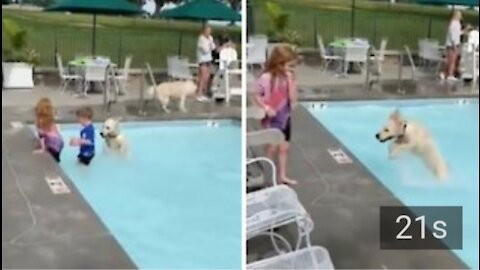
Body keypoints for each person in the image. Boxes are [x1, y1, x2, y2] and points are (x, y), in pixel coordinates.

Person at [253, 45, 298, 186]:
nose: (290, 69)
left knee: (284, 148)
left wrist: (291, 82)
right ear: (279, 63)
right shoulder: (266, 78)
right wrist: (265, 107)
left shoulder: (289, 78)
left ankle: (282, 176)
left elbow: (293, 99)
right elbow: (256, 95)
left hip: (285, 117)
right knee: (271, 148)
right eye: (288, 65)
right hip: (272, 118)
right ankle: (267, 177)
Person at [441, 10, 472, 82]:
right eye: (460, 15)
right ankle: (450, 75)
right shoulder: (456, 23)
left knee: (450, 60)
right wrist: (455, 45)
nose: (461, 16)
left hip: (451, 44)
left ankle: (445, 74)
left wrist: (465, 31)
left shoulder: (453, 23)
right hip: (453, 44)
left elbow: (457, 33)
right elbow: (453, 35)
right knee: (452, 61)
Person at [33, 98, 64, 162]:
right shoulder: (50, 119)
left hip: (53, 144)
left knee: (52, 156)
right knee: (56, 157)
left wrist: (42, 148)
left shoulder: (40, 122)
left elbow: (41, 136)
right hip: (59, 142)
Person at [196, 25, 216, 102]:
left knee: (207, 78)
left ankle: (203, 93)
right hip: (202, 60)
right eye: (207, 31)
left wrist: (210, 43)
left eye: (210, 31)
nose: (209, 33)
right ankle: (199, 94)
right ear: (204, 31)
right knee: (202, 77)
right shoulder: (201, 39)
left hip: (209, 60)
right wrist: (210, 44)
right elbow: (206, 50)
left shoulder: (210, 38)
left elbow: (213, 48)